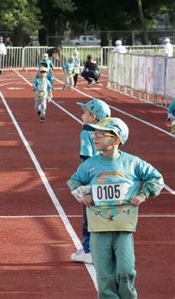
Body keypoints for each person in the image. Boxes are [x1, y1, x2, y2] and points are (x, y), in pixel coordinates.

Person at [67, 117, 164, 298]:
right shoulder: (89, 165)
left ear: (117, 139)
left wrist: (143, 194)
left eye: (100, 134)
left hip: (123, 227)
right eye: (94, 133)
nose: (94, 137)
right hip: (98, 227)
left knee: (126, 271)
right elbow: (74, 181)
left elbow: (156, 178)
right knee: (104, 274)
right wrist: (83, 195)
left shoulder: (133, 163)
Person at [70, 99, 111, 264]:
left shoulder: (87, 131)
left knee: (89, 215)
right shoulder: (109, 131)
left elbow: (86, 158)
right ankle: (101, 249)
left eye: (85, 112)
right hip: (108, 175)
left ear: (93, 116)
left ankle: (89, 250)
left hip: (93, 177)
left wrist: (83, 183)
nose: (81, 114)